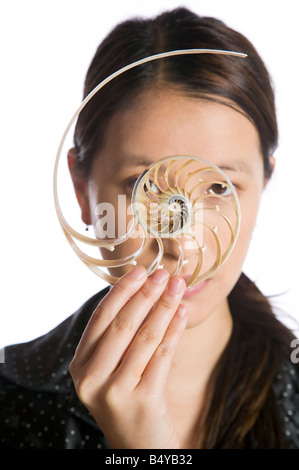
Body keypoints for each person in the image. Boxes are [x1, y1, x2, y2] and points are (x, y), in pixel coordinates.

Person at [1, 7, 298, 449]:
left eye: (220, 187)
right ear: (83, 189)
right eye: (143, 185)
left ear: (265, 182)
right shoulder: (10, 401)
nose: (182, 242)